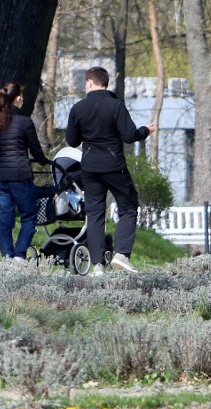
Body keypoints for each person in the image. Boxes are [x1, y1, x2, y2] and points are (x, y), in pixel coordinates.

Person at [65, 66, 155, 275]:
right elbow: (130, 135)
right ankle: (121, 254)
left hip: (89, 167)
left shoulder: (78, 108)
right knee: (128, 204)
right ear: (105, 83)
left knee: (95, 212)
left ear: (89, 82)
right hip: (113, 166)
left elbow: (71, 140)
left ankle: (98, 265)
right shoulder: (116, 105)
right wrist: (146, 131)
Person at [0, 81, 50, 265]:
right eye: (21, 95)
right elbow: (35, 150)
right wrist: (44, 161)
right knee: (29, 217)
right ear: (17, 99)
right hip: (20, 176)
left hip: (0, 177)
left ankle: (7, 257)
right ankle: (19, 256)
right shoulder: (24, 122)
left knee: (5, 221)